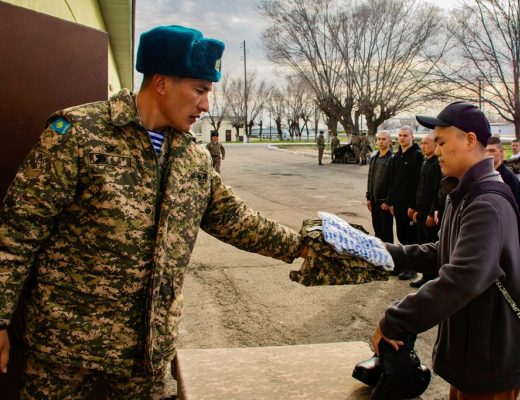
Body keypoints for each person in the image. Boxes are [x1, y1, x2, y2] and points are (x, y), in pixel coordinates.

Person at [0, 25, 307, 399]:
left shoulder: (192, 158)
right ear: (161, 83)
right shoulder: (79, 134)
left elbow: (241, 222)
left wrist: (309, 246)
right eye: (199, 90)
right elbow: (17, 232)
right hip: (64, 350)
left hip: (143, 356)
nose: (207, 105)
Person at [374, 102, 520, 400]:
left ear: (471, 140)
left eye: (443, 142)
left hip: (489, 361)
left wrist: (397, 319)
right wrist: (386, 252)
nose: (436, 148)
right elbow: (443, 251)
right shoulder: (464, 192)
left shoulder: (486, 201)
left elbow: (462, 277)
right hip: (472, 354)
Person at [384, 126, 423, 280]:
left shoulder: (417, 156)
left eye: (405, 135)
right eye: (400, 135)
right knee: (401, 235)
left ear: (412, 137)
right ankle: (402, 265)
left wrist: (414, 206)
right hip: (398, 204)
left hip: (409, 205)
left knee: (410, 237)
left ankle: (412, 268)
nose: (402, 138)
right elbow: (393, 182)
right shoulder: (397, 157)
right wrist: (392, 202)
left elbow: (417, 183)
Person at [410, 133, 442, 288]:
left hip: (429, 212)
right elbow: (420, 189)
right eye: (421, 143)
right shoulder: (425, 163)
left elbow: (437, 191)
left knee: (429, 245)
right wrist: (416, 209)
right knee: (422, 243)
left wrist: (431, 212)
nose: (423, 146)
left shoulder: (437, 164)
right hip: (421, 211)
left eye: (426, 143)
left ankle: (432, 278)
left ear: (435, 145)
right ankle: (425, 276)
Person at [366, 131, 394, 244]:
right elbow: (370, 178)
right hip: (374, 200)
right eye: (379, 139)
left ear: (390, 141)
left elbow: (393, 183)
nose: (381, 141)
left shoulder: (392, 158)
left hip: (384, 203)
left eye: (384, 139)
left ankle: (390, 256)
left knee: (386, 232)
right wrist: (368, 197)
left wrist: (389, 201)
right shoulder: (374, 158)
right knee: (377, 230)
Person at [486, 136, 520, 213]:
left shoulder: (509, 178)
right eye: (485, 151)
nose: (488, 154)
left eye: (492, 151)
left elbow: (515, 208)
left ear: (501, 152)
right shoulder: (483, 175)